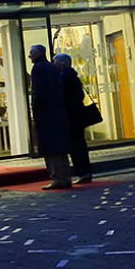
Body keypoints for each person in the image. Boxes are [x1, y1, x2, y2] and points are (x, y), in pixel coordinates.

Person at [28, 45, 72, 190]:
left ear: (39, 53)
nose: (29, 56)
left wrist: (35, 110)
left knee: (50, 147)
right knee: (60, 147)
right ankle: (66, 176)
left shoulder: (38, 69)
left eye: (31, 53)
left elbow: (38, 92)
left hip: (46, 113)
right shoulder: (53, 68)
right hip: (58, 111)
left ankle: (57, 177)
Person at [53, 53, 93, 184]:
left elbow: (67, 96)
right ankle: (85, 172)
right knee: (79, 143)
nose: (53, 65)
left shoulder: (65, 78)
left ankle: (82, 172)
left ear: (61, 64)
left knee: (76, 145)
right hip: (77, 115)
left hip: (72, 116)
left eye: (55, 62)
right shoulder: (72, 76)